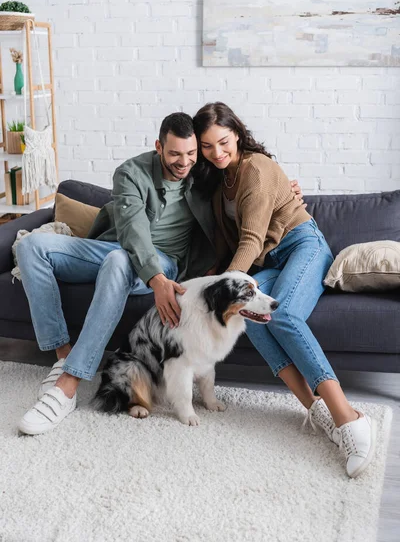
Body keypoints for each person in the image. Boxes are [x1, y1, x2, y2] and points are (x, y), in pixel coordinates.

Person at [16, 110, 305, 436]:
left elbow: (249, 177)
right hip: (119, 251)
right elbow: (132, 232)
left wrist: (289, 189)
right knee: (31, 247)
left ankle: (70, 383)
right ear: (159, 147)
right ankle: (62, 355)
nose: (184, 162)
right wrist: (156, 281)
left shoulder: (204, 175)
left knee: (118, 262)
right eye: (175, 154)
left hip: (165, 261)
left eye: (192, 153)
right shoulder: (131, 173)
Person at [192, 102, 376, 479]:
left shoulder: (256, 169)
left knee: (286, 314)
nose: (217, 153)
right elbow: (230, 245)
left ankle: (350, 419)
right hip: (270, 262)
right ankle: (316, 410)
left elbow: (250, 240)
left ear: (238, 135)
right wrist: (210, 275)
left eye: (223, 142)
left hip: (302, 245)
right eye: (207, 146)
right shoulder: (219, 183)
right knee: (256, 318)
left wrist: (222, 288)